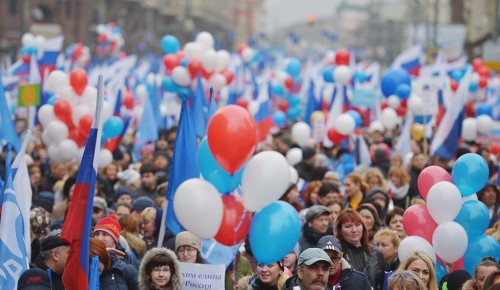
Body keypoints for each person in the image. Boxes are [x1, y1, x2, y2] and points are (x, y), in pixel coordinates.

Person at [335, 208, 385, 289]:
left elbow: (384, 284)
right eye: (348, 226)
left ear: (363, 227)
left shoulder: (376, 252)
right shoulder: (336, 255)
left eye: (357, 225)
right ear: (340, 231)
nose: (354, 230)